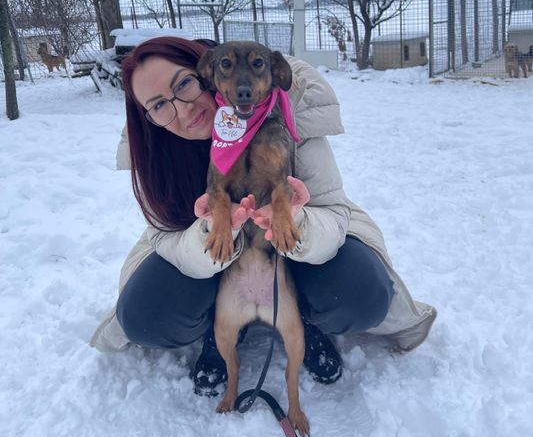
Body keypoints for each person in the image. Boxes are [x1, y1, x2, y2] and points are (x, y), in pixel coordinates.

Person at [90, 36, 436, 396]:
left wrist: (296, 223)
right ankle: (217, 327)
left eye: (183, 84)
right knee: (146, 315)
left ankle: (306, 316)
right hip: (206, 259)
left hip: (292, 251)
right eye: (159, 104)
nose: (182, 108)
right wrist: (213, 232)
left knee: (361, 292)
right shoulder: (150, 146)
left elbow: (332, 209)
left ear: (202, 71)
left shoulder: (289, 110)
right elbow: (165, 236)